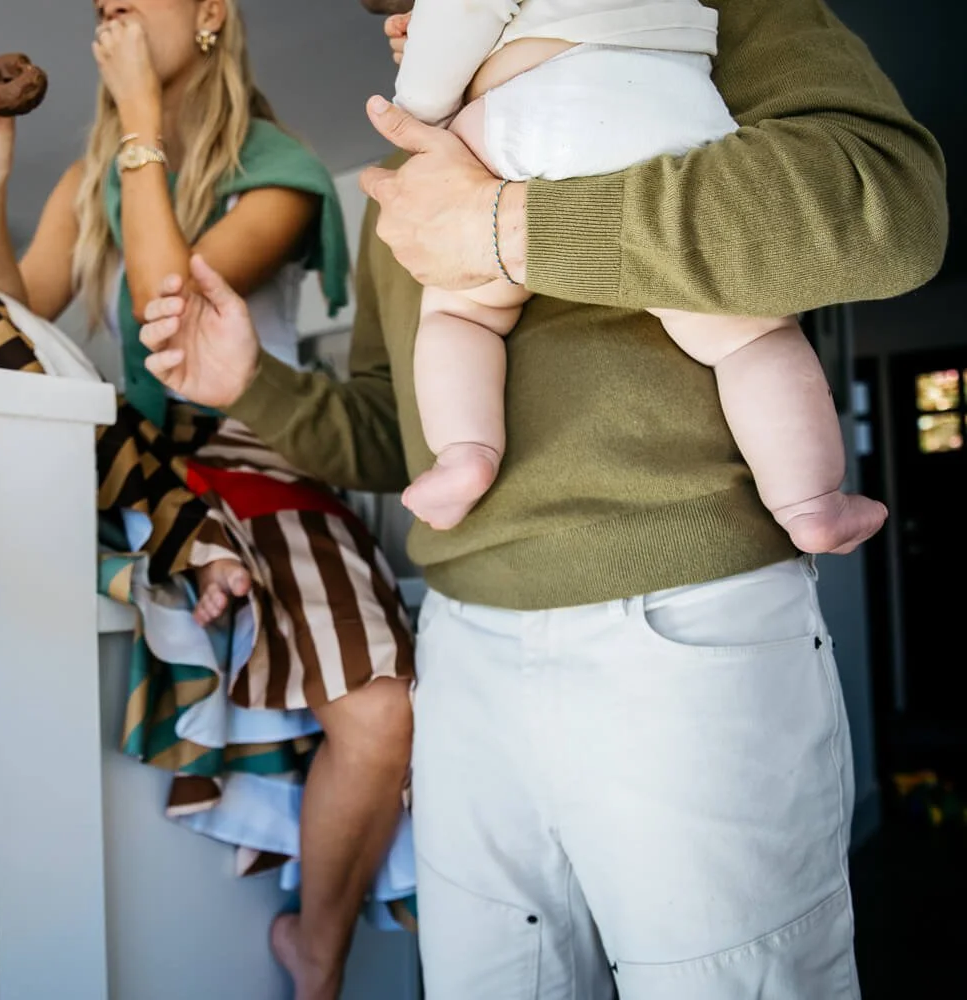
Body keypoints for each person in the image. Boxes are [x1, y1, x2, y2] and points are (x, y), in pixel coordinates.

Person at [138, 0, 948, 995]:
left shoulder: (687, 12)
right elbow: (398, 436)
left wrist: (502, 227)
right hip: (466, 650)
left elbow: (886, 208)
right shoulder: (406, 162)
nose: (401, 26)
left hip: (680, 627)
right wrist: (247, 382)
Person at [0, 2, 414, 997]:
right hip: (136, 460)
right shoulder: (96, 170)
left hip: (261, 448)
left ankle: (317, 951)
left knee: (378, 713)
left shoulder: (276, 163)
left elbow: (178, 320)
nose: (109, 6)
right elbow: (17, 326)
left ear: (210, 15)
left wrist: (141, 125)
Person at [386, 0, 887, 553]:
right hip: (670, 108)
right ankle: (810, 503)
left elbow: (462, 15)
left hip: (537, 105)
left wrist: (420, 100)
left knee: (462, 313)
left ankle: (463, 454)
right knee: (752, 338)